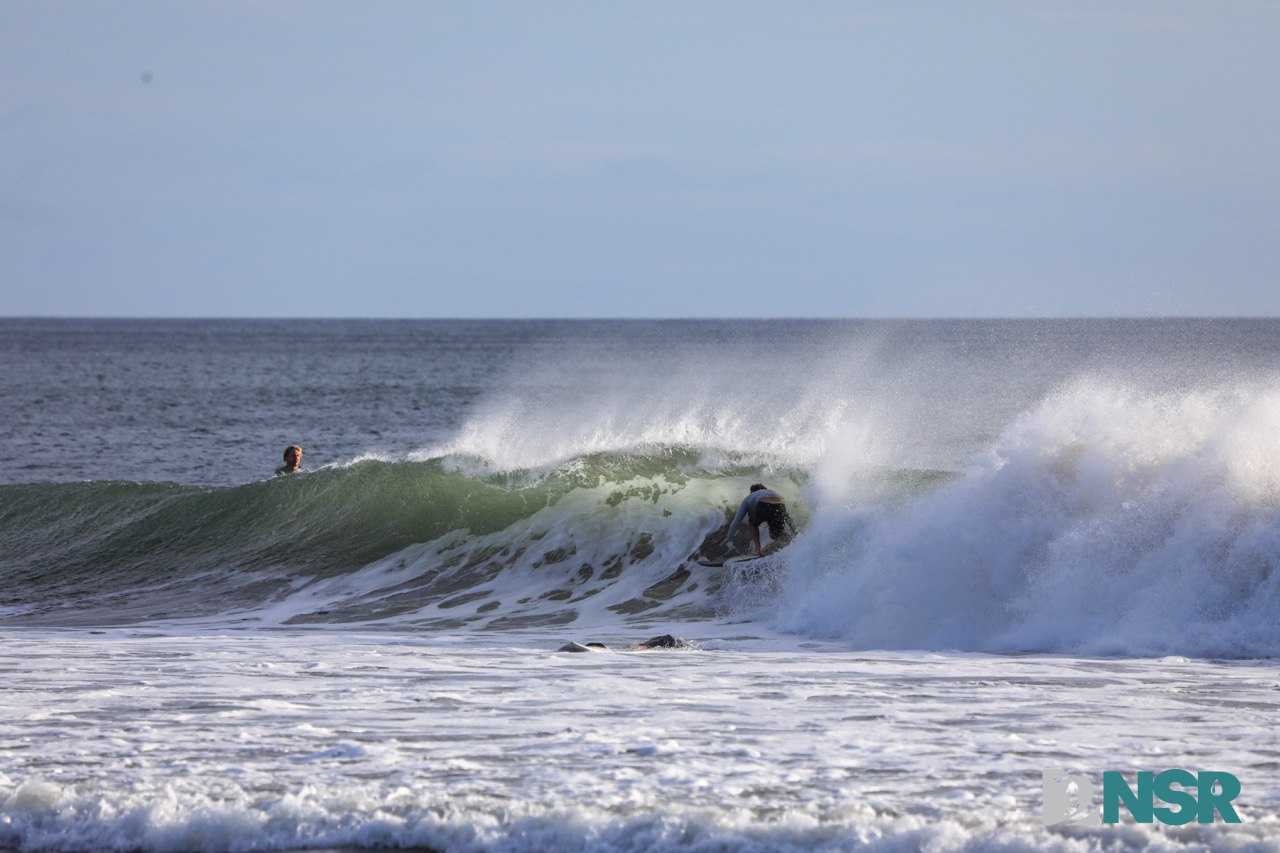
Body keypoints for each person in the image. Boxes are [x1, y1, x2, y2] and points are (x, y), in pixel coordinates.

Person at [725, 484, 797, 557]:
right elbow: (786, 516)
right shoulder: (774, 493)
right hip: (779, 505)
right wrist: (795, 531)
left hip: (762, 506)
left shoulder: (750, 496)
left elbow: (736, 522)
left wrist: (728, 537)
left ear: (752, 492)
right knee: (775, 535)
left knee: (752, 523)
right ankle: (794, 540)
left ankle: (757, 549)